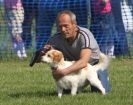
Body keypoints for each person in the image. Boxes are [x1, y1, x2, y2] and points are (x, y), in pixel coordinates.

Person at [45, 10, 111, 93]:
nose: (63, 29)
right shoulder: (55, 38)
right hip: (73, 67)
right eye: (60, 26)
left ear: (74, 24)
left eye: (66, 26)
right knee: (67, 93)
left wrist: (62, 72)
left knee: (102, 91)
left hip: (93, 66)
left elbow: (83, 62)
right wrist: (41, 53)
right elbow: (43, 54)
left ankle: (102, 75)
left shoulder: (84, 35)